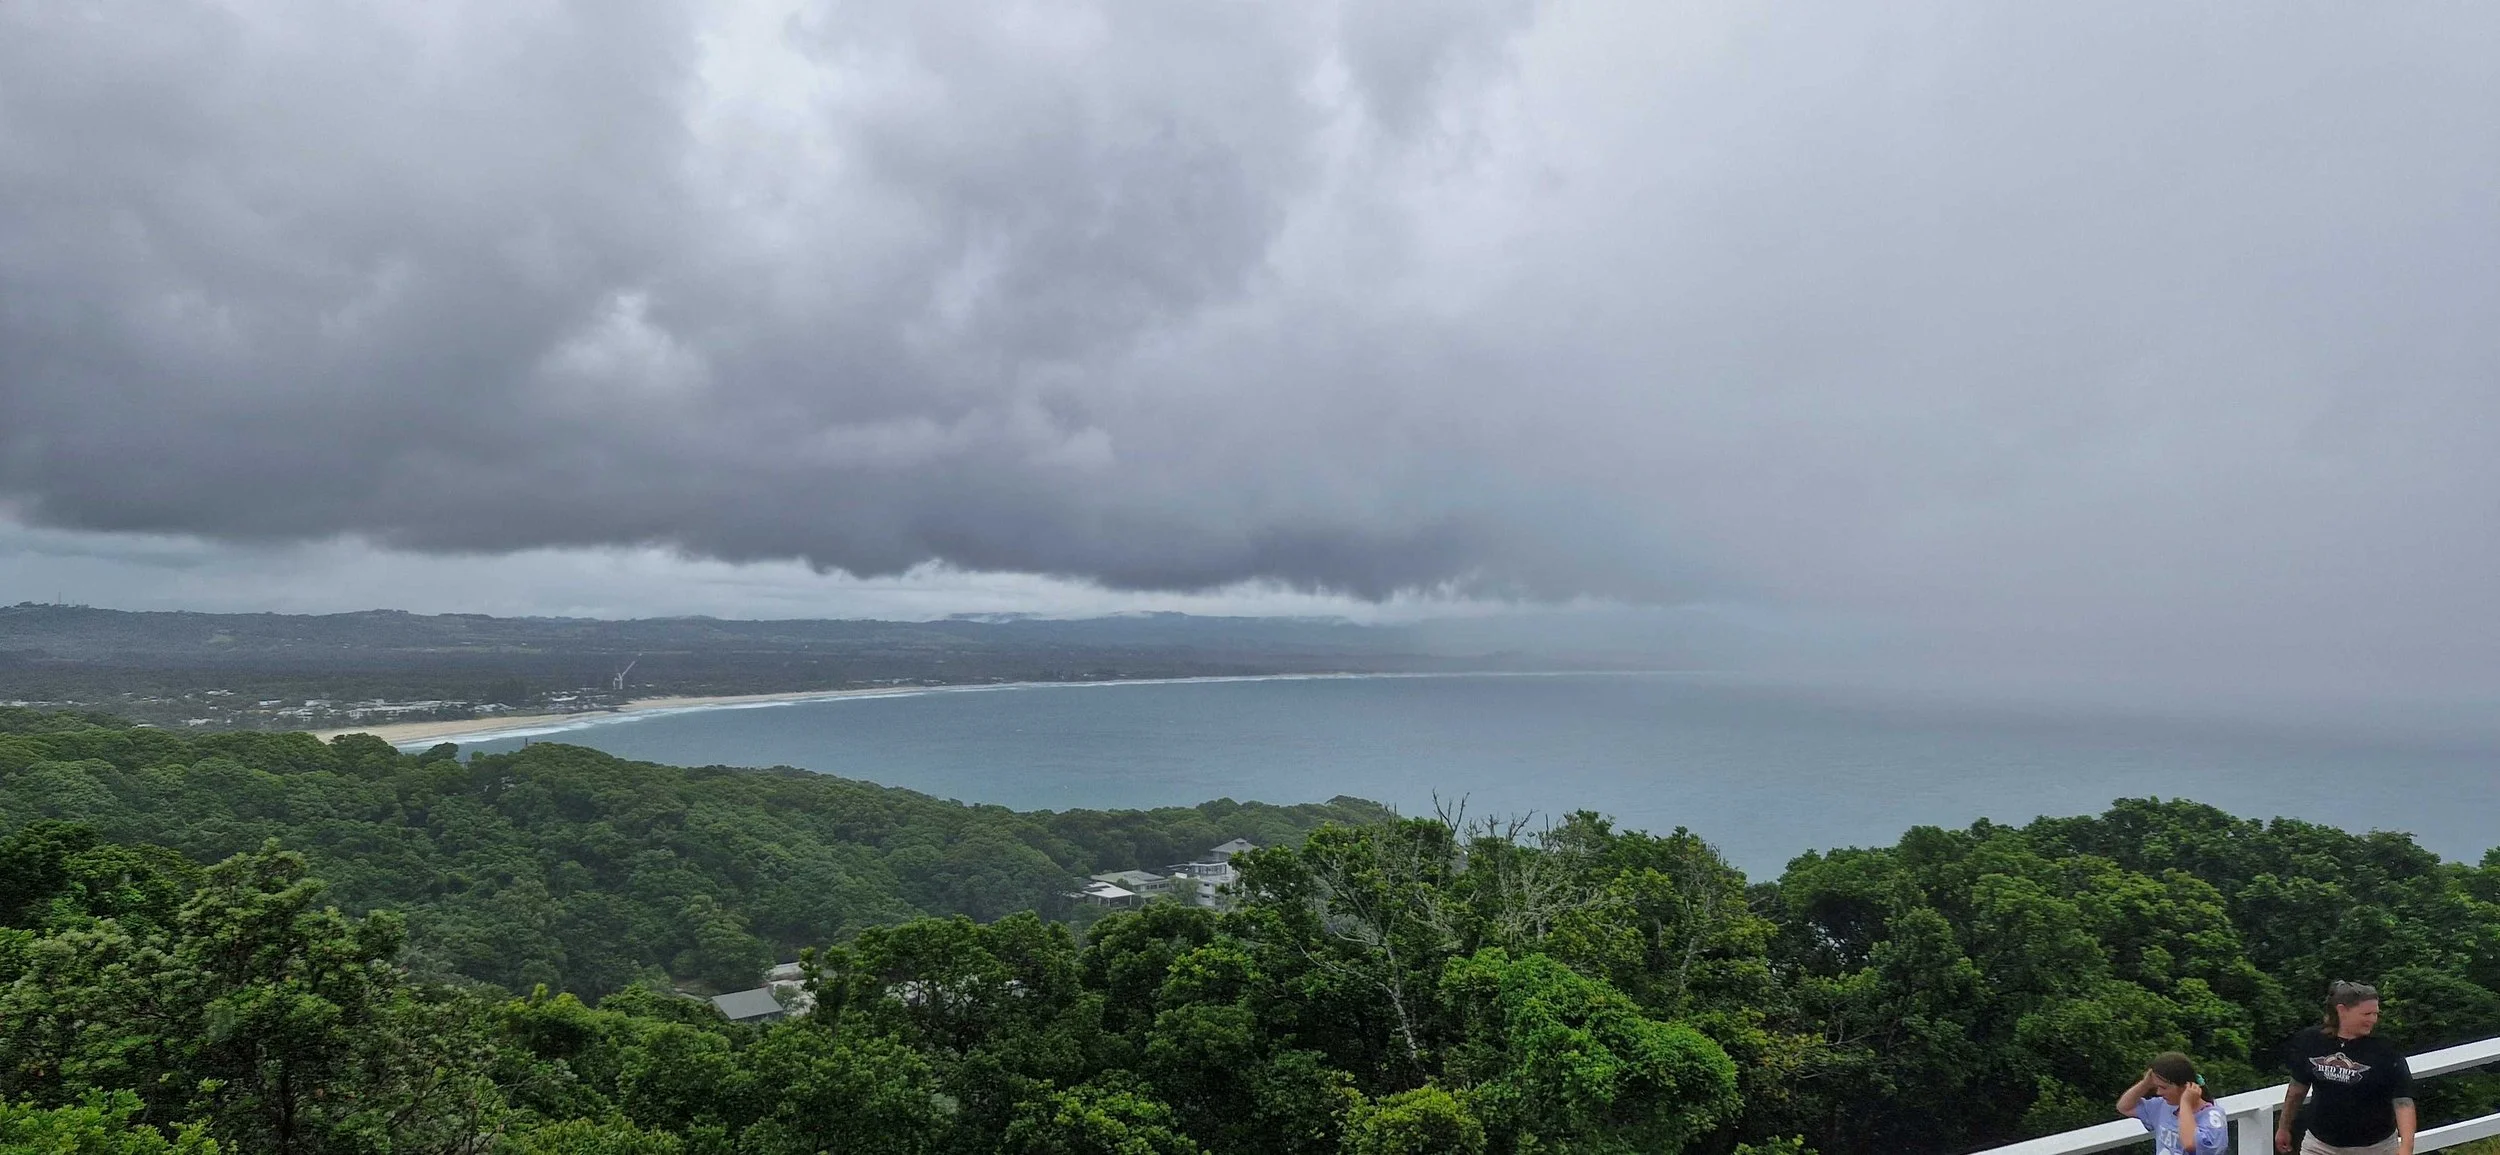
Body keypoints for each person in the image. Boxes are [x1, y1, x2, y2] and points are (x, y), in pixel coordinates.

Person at [2277, 980, 2416, 1155]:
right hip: (2320, 1145)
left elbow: (2403, 1101)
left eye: (2375, 1014)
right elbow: (2297, 1089)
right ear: (2342, 1010)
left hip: (2375, 1148)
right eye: (2366, 1014)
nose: (2373, 1020)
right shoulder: (2312, 1041)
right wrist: (2283, 1127)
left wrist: (2406, 1147)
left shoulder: (2385, 1049)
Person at [2119, 1051, 2228, 1155]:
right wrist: (2145, 1084)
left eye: (2163, 1088)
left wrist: (2185, 1103)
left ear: (2184, 1087)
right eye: (2157, 1087)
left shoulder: (2212, 1116)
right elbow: (2124, 1107)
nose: (2158, 1092)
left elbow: (2190, 1145)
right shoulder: (2163, 1106)